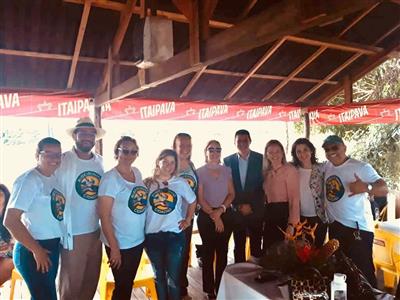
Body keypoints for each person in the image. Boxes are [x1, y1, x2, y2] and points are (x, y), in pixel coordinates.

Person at [322, 135, 388, 287]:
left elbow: (384, 189)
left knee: (363, 276)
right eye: (327, 149)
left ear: (344, 147)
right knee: (340, 275)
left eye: (335, 147)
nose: (331, 152)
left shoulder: (360, 167)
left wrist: (366, 187)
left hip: (358, 229)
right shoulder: (327, 166)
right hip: (335, 227)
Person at [4, 137, 65, 300]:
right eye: (49, 154)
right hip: (33, 248)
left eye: (58, 155)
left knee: (45, 295)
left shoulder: (53, 177)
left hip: (51, 245)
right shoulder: (29, 180)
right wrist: (36, 250)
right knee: (45, 296)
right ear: (37, 155)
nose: (54, 159)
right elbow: (10, 220)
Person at [57, 117, 105, 300]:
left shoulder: (99, 161)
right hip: (72, 233)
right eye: (82, 132)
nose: (87, 136)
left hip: (95, 230)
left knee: (90, 280)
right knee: (71, 283)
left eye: (91, 133)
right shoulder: (63, 160)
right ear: (75, 135)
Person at [98, 136, 147, 300]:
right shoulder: (110, 178)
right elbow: (103, 216)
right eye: (125, 151)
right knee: (123, 286)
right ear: (117, 152)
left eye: (133, 151)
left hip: (137, 240)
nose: (129, 154)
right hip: (119, 243)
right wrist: (115, 248)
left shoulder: (137, 172)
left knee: (128, 283)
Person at [144, 149, 196, 300]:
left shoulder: (180, 182)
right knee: (159, 276)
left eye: (172, 162)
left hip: (174, 236)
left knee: (173, 279)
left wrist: (187, 220)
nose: (169, 165)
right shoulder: (148, 183)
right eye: (165, 161)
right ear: (158, 162)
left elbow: (193, 201)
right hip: (152, 236)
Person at [197, 140, 235, 299]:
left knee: (222, 252)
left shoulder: (227, 170)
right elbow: (200, 199)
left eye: (217, 149)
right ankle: (209, 290)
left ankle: (220, 287)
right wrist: (214, 215)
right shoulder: (199, 172)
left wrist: (220, 211)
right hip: (206, 216)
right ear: (205, 152)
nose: (214, 152)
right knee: (208, 253)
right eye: (211, 149)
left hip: (225, 213)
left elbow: (231, 194)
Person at [223, 129, 264, 263]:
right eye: (239, 140)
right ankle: (239, 278)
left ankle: (256, 277)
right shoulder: (228, 161)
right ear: (234, 142)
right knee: (238, 247)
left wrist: (252, 206)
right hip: (237, 211)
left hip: (256, 211)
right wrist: (238, 206)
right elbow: (227, 188)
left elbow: (263, 187)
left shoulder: (260, 159)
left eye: (245, 140)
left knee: (256, 246)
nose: (242, 143)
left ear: (250, 141)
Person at [172, 133, 199, 298]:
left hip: (188, 219)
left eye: (188, 145)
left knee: (184, 255)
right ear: (174, 146)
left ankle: (182, 289)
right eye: (181, 145)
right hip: (172, 219)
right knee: (173, 255)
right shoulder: (170, 165)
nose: (185, 148)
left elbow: (194, 190)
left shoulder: (191, 165)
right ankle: (173, 290)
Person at [263, 140, 300, 252]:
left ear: (283, 153)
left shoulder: (290, 170)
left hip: (284, 215)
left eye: (277, 151)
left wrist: (291, 224)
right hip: (269, 217)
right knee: (269, 251)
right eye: (271, 152)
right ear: (266, 155)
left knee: (284, 254)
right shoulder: (266, 173)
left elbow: (294, 198)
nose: (274, 155)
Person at [291, 138, 328, 247]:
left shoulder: (322, 168)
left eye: (305, 150)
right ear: (295, 154)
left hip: (319, 218)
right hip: (299, 219)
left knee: (318, 252)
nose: (302, 154)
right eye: (298, 151)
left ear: (311, 150)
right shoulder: (293, 170)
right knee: (301, 253)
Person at [0, 184, 14, 286]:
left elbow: (16, 242)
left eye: (0, 195)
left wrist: (10, 247)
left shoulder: (11, 217)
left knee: (10, 263)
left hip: (8, 257)